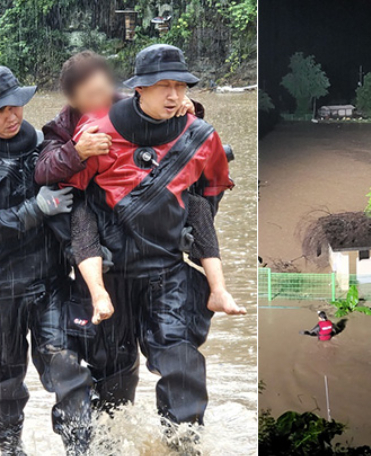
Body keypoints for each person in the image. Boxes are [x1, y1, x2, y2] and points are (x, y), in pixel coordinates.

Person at [53, 44, 235, 436]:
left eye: (180, 86)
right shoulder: (97, 133)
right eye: (163, 86)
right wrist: (96, 287)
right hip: (112, 274)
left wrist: (192, 245)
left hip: (166, 274)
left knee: (184, 368)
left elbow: (208, 195)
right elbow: (77, 206)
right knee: (113, 388)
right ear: (139, 88)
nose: (174, 95)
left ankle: (183, 444)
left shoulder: (201, 136)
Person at [0, 66, 93, 456]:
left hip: (49, 283)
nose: (12, 116)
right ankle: (12, 451)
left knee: (69, 370)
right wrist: (35, 208)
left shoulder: (40, 145)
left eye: (17, 106)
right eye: (1, 111)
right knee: (3, 387)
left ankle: (81, 450)